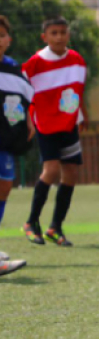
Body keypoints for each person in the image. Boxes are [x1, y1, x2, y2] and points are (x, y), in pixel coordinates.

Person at [21, 16, 87, 248]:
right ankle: (31, 223)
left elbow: (78, 90)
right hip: (46, 124)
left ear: (68, 34)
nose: (59, 37)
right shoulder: (34, 64)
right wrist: (27, 120)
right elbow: (22, 93)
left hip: (69, 124)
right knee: (51, 170)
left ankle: (55, 227)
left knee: (71, 174)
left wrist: (82, 114)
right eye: (54, 33)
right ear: (45, 37)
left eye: (63, 32)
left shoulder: (77, 60)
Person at [0, 16, 34, 276]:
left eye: (1, 35)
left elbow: (26, 99)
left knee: (4, 186)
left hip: (6, 139)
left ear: (8, 40)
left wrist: (30, 120)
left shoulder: (13, 69)